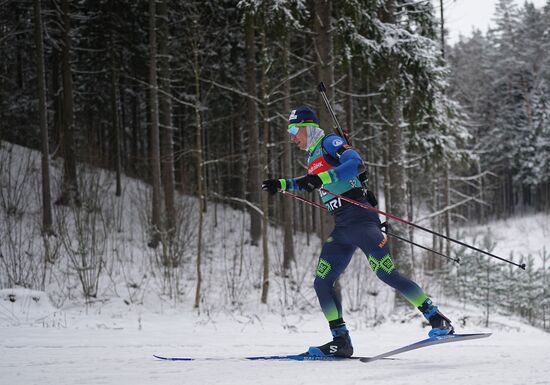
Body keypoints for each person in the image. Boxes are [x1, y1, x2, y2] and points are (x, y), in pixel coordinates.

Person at [261, 106, 454, 358]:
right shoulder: (311, 158)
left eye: (294, 130)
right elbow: (309, 182)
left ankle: (438, 319)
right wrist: (282, 184)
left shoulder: (330, 141)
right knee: (322, 282)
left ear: (308, 127)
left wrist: (321, 179)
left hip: (361, 219)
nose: (292, 136)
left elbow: (355, 163)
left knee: (386, 273)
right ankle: (341, 341)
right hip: (342, 227)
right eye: (289, 131)